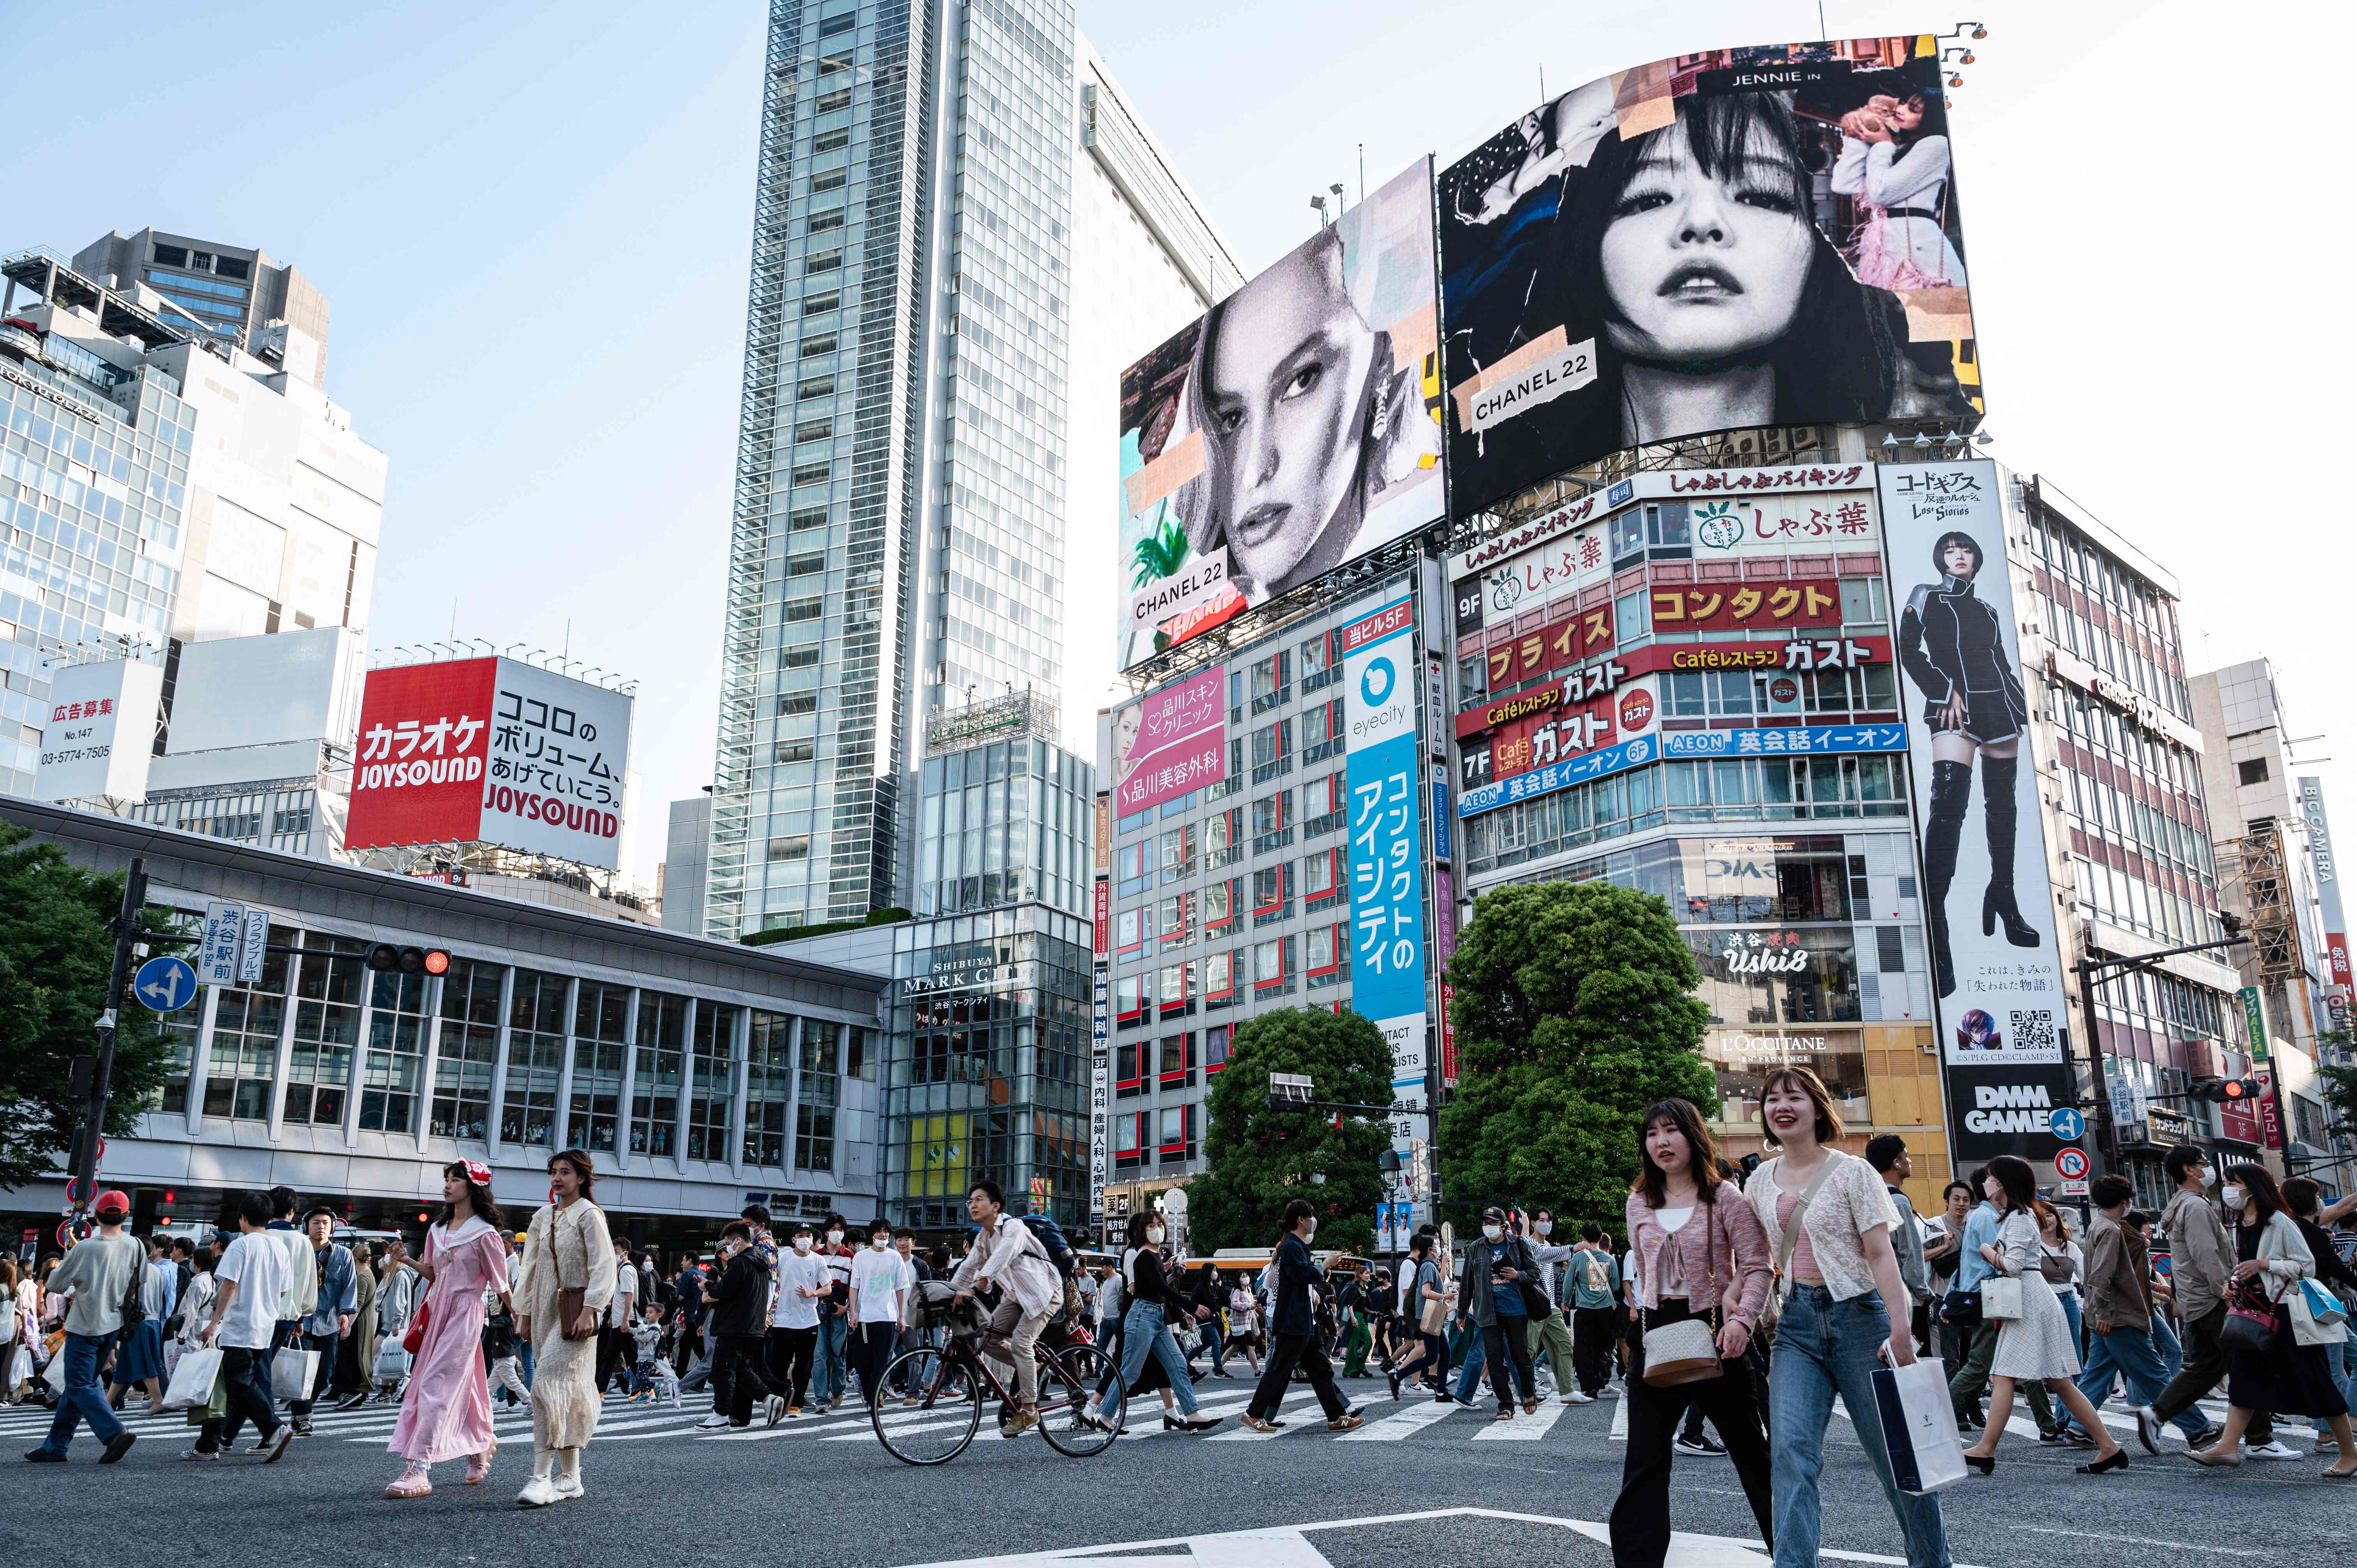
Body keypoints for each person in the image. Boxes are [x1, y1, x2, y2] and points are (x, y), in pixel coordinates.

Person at [1169, 221, 1442, 606]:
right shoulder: (1194, 606)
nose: (1253, 471)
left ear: (1381, 364)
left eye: (1301, 381)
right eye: (1231, 419)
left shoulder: (1431, 500)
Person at [1744, 1067, 1948, 1568]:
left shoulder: (1854, 1172)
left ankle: (1931, 1561)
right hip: (1795, 1328)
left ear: (1817, 1107)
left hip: (1863, 1321)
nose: (1782, 1106)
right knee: (1790, 1456)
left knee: (1899, 1460)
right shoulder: (1757, 1182)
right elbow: (1759, 1259)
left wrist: (1902, 1331)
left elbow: (1882, 1255)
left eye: (1794, 1097)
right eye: (1772, 1099)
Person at [1610, 1100, 1773, 1568]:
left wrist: (1744, 1319)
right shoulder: (1638, 1202)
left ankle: (1795, 1555)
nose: (1661, 1141)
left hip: (1719, 1332)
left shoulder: (1725, 1198)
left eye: (1671, 1131)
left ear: (1693, 1136)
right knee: (1643, 1463)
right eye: (1652, 1133)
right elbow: (1643, 1274)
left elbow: (1760, 1264)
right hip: (1658, 1334)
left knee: (1753, 1458)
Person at [1896, 528, 2037, 997]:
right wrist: (1941, 689)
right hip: (1952, 705)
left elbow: (1999, 659)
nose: (1960, 557)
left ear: (1977, 559)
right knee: (1949, 809)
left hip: (1999, 705)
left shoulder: (1988, 607)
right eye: (1951, 552)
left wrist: (2018, 707)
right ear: (1940, 558)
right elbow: (1907, 650)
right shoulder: (1925, 595)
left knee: (2003, 806)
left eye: (1967, 551)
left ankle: (2004, 893)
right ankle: (1935, 924)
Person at [2182, 1164, 2356, 1476]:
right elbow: (2251, 1268)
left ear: (2251, 1186)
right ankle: (2228, 1448)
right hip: (2256, 1312)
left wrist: (2265, 1264)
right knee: (2244, 1377)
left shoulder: (2279, 1222)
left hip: (2287, 1315)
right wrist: (2234, 1284)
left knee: (2316, 1381)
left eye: (2232, 1183)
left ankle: (2349, 1453)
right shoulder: (2241, 1223)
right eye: (2225, 1183)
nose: (2227, 1189)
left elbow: (2307, 1267)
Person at [1956, 1157, 2125, 1475]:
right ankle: (2109, 1446)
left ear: (2004, 1183)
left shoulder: (2019, 1217)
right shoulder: (2019, 1215)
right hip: (2035, 1298)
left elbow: (2015, 1266)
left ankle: (1986, 1449)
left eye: (1991, 1177)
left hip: (2029, 1299)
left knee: (2006, 1375)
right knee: (2059, 1382)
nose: (1986, 1183)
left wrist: (1988, 1251)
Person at [2136, 1144, 2283, 1455]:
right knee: (2246, 1364)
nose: (2210, 1169)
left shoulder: (2181, 1204)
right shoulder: (2197, 1207)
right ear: (2189, 1170)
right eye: (2204, 1163)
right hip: (2213, 1299)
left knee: (2207, 1366)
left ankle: (2157, 1413)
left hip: (2195, 1299)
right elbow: (2207, 1254)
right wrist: (2226, 1292)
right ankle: (2260, 1440)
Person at [385, 1162, 509, 1498]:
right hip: (437, 1311)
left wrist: (522, 1320)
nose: (448, 1185)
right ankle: (480, 1442)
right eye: (447, 1180)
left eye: (456, 1180)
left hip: (466, 1314)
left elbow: (501, 1285)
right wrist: (407, 1261)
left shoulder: (486, 1234)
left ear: (473, 1187)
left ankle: (418, 1466)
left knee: (435, 1383)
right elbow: (435, 1274)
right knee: (461, 1384)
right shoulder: (437, 1229)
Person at [513, 1148, 617, 1507]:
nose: (558, 1179)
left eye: (566, 1172)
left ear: (582, 1178)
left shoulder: (589, 1215)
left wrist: (593, 1308)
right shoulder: (543, 1216)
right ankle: (571, 1477)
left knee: (546, 1385)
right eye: (554, 1172)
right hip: (544, 1312)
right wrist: (524, 1312)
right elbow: (530, 1269)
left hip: (576, 1316)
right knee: (564, 1392)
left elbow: (605, 1266)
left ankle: (540, 1477)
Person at [2066, 1174, 2202, 1446]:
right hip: (2119, 1316)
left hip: (2105, 1315)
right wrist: (2105, 1312)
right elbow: (2102, 1275)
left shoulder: (2103, 1225)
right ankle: (2198, 1428)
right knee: (2155, 1374)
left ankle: (2078, 1427)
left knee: (2097, 1375)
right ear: (2126, 1200)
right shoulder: (2110, 1230)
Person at [23, 1190, 143, 1465]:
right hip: (113, 1323)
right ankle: (56, 1446)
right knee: (78, 1386)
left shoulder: (85, 1248)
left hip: (84, 1323)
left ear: (97, 1216)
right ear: (125, 1216)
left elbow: (54, 1284)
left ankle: (114, 1433)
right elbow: (135, 1285)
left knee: (79, 1384)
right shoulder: (135, 1245)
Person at [1945, 1164, 2056, 1436]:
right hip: (1994, 1292)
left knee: (2019, 1360)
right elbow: (2004, 1262)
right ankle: (1936, 1411)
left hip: (1999, 1291)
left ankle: (2048, 1426)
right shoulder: (1989, 1218)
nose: (1989, 1184)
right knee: (1981, 1363)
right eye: (1990, 1179)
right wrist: (1988, 1252)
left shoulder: (1995, 1215)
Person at [186, 1191, 295, 1464]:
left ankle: (273, 1428)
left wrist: (213, 1323)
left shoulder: (240, 1245)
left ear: (243, 1218)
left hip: (239, 1327)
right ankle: (207, 1444)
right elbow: (283, 1292)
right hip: (265, 1327)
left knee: (238, 1384)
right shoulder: (280, 1248)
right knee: (225, 1385)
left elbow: (230, 1285)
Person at [1091, 1209, 1221, 1434]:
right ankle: (1104, 1415)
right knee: (1130, 1372)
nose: (1157, 1229)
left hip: (1156, 1317)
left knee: (1178, 1364)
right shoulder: (1143, 1256)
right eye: (1151, 1226)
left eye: (1159, 1224)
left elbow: (1152, 1287)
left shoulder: (1153, 1256)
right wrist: (1192, 1306)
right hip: (1142, 1317)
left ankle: (1192, 1414)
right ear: (1142, 1231)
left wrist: (1172, 1276)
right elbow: (1158, 1289)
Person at [1242, 1201, 1364, 1433]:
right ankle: (1254, 1414)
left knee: (1320, 1369)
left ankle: (1337, 1417)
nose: (1313, 1221)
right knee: (1280, 1369)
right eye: (1311, 1216)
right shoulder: (1291, 1247)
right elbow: (1304, 1275)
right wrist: (1325, 1264)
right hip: (1293, 1322)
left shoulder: (1294, 1246)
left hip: (1302, 1322)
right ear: (1301, 1220)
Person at [1831, 91, 1967, 289]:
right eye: (1902, 104)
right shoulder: (1898, 147)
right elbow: (1843, 184)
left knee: (1927, 313)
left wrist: (1883, 145)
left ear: (1932, 116)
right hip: (1886, 243)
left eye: (1913, 109)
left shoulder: (1937, 144)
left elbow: (1881, 193)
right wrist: (1858, 135)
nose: (1901, 110)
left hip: (1917, 246)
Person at [2284, 1178, 2357, 1448]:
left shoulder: (2298, 1228)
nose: (2320, 1200)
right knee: (2334, 1370)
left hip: (2323, 1305)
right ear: (2307, 1200)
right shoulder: (2308, 1232)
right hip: (2318, 1306)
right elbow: (2331, 1269)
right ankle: (2328, 1434)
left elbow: (2324, 1265)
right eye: (2317, 1195)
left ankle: (2342, 1424)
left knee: (2345, 1361)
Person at [699, 1221, 788, 1429]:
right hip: (752, 1326)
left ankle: (720, 1414)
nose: (728, 1248)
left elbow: (724, 1291)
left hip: (734, 1325)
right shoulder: (761, 1262)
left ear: (738, 1241)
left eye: (729, 1243)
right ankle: (769, 1399)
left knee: (722, 1368)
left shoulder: (740, 1263)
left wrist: (707, 1285)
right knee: (738, 1367)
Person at [1458, 1206, 1541, 1421]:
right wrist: (1461, 1313)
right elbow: (1467, 1283)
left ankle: (1529, 1393)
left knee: (1521, 1357)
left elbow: (1535, 1273)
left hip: (1517, 1310)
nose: (1488, 1227)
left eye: (1493, 1223)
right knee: (1494, 1361)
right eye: (1486, 1223)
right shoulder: (1476, 1248)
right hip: (1488, 1312)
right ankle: (1506, 1405)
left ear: (1504, 1226)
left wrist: (1517, 1274)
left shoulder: (1518, 1244)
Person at [1866, 1135, 1934, 1357]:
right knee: (1913, 1364)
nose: (1910, 1161)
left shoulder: (1869, 1199)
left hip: (1875, 1297)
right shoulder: (1899, 1201)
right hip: (1905, 1299)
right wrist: (1923, 1292)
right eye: (1907, 1156)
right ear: (1897, 1162)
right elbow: (1910, 1254)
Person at [297, 1207, 356, 1434]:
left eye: (325, 1223)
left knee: (324, 1375)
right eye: (315, 1223)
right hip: (302, 1322)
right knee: (303, 1372)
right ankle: (304, 1417)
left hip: (329, 1322)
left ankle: (302, 1409)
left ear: (332, 1227)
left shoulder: (343, 1255)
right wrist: (296, 1316)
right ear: (307, 1227)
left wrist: (345, 1313)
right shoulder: (300, 1253)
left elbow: (350, 1285)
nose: (321, 1227)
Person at [845, 1217, 910, 1409]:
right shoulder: (861, 1257)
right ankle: (869, 1391)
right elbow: (854, 1287)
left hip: (887, 1316)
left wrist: (901, 1315)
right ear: (872, 1235)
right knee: (863, 1360)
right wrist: (854, 1313)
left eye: (886, 1231)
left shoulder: (895, 1257)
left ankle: (876, 1396)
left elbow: (900, 1288)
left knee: (883, 1359)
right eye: (879, 1231)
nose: (883, 1235)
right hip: (865, 1316)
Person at [104, 1235, 171, 1416]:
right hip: (152, 1320)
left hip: (136, 1321)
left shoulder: (132, 1269)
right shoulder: (156, 1270)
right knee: (126, 1364)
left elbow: (123, 1295)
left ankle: (158, 1400)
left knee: (145, 1363)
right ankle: (107, 1401)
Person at [767, 1222, 826, 1416]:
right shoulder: (783, 1258)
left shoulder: (818, 1260)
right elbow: (772, 1283)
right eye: (800, 1235)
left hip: (809, 1320)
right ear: (794, 1240)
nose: (805, 1239)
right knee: (780, 1365)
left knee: (803, 1365)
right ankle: (780, 1402)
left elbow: (828, 1288)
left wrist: (812, 1293)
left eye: (808, 1235)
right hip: (782, 1320)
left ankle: (797, 1404)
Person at [1566, 1222, 1622, 1402]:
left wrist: (1565, 1301)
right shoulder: (1611, 1260)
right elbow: (1615, 1285)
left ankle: (1589, 1388)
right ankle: (1602, 1378)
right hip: (1606, 1310)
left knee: (1583, 1349)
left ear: (1583, 1238)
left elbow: (1569, 1283)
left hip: (1584, 1310)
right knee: (1604, 1347)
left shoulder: (1578, 1258)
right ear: (1600, 1238)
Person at [335, 1239, 379, 1409]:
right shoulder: (368, 1274)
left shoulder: (363, 1276)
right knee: (355, 1356)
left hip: (359, 1323)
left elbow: (357, 1305)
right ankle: (356, 1390)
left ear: (355, 1258)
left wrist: (348, 1326)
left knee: (354, 1356)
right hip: (364, 1322)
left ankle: (357, 1389)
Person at [375, 1241, 418, 1401]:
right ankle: (386, 1391)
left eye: (389, 1254)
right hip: (392, 1324)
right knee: (387, 1357)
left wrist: (396, 1326)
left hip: (393, 1326)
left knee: (376, 1354)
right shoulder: (395, 1274)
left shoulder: (400, 1275)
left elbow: (400, 1303)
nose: (385, 1257)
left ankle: (400, 1381)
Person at [595, 1236, 636, 1398]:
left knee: (631, 1359)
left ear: (626, 1253)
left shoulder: (626, 1270)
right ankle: (599, 1392)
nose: (614, 1255)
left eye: (616, 1252)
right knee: (609, 1358)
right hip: (619, 1321)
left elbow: (629, 1296)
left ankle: (648, 1389)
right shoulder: (620, 1269)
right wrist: (614, 1317)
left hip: (627, 1321)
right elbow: (620, 1298)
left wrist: (625, 1320)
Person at [483, 1288, 532, 1412]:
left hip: (505, 1359)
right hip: (502, 1360)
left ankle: (531, 1401)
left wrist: (483, 1314)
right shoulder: (507, 1320)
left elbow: (490, 1325)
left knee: (514, 1384)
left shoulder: (506, 1320)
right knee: (489, 1387)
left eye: (501, 1305)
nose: (499, 1307)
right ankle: (482, 1406)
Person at [1226, 1271, 1264, 1377]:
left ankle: (1218, 1368)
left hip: (1248, 1322)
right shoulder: (1237, 1291)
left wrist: (1254, 1304)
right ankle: (1257, 1371)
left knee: (1234, 1347)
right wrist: (1248, 1305)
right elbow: (1234, 1304)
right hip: (1242, 1324)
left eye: (1247, 1276)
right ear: (1239, 1280)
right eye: (1243, 1277)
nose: (1246, 1278)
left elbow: (1251, 1304)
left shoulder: (1248, 1290)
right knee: (1251, 1347)